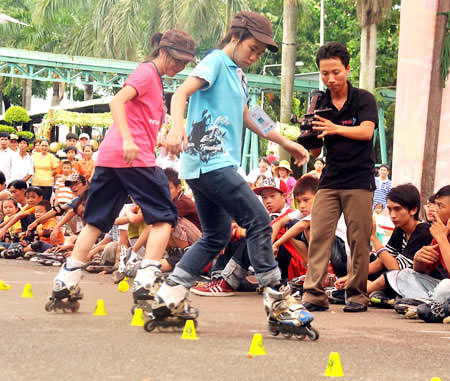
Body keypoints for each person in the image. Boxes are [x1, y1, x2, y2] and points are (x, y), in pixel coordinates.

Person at [161, 11, 316, 338]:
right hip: (209, 160)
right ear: (236, 36)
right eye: (254, 48)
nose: (255, 56)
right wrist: (177, 128)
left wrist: (289, 142)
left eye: (261, 53)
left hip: (210, 168)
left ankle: (169, 296)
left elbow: (251, 116)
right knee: (259, 219)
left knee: (215, 236)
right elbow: (180, 93)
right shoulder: (216, 61)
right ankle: (277, 301)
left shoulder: (238, 77)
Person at [46, 29, 197, 313]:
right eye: (177, 61)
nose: (180, 67)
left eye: (185, 63)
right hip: (132, 156)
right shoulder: (146, 72)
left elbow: (142, 121)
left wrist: (163, 142)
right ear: (162, 52)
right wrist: (129, 139)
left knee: (96, 221)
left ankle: (65, 282)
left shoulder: (155, 79)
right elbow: (117, 101)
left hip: (111, 157)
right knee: (165, 216)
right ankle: (146, 282)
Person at [301, 42, 379, 313]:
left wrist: (334, 127)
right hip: (330, 178)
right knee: (319, 233)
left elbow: (366, 132)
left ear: (347, 69)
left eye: (335, 72)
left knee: (359, 238)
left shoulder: (363, 99)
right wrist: (307, 134)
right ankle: (313, 292)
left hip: (359, 178)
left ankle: (357, 293)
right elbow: (315, 149)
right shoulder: (319, 101)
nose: (331, 79)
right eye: (324, 74)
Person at [384, 183, 450, 305]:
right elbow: (424, 271)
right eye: (434, 205)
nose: (434, 210)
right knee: (404, 275)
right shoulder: (441, 229)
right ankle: (429, 303)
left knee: (446, 287)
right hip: (446, 290)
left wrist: (442, 239)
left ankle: (426, 303)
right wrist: (418, 260)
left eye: (440, 206)